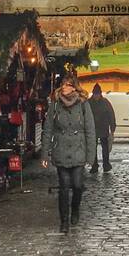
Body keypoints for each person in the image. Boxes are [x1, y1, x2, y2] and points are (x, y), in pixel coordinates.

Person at [40, 76, 96, 234]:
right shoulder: (56, 104)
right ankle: (64, 221)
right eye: (63, 85)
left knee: (77, 185)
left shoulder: (83, 104)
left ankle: (76, 209)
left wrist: (90, 157)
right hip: (61, 150)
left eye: (68, 85)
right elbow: (48, 129)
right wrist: (45, 154)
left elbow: (90, 131)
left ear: (74, 87)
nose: (65, 87)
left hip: (78, 151)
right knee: (64, 187)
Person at [87, 85, 116, 174]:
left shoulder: (104, 102)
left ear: (100, 94)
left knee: (105, 148)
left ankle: (106, 164)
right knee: (93, 148)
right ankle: (95, 165)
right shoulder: (89, 103)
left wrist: (112, 127)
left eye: (98, 94)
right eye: (95, 94)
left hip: (103, 128)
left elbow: (111, 115)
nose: (96, 96)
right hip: (93, 129)